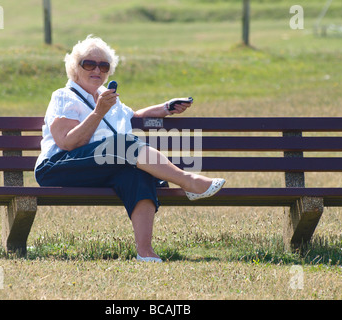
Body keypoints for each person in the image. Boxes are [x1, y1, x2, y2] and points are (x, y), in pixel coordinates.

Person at [34, 35, 225, 262]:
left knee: (137, 173)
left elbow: (133, 115)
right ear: (75, 67)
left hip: (99, 167)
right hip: (58, 168)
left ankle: (145, 252)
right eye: (89, 64)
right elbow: (66, 142)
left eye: (103, 66)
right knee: (122, 145)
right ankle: (187, 181)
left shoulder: (109, 99)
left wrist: (165, 108)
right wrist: (97, 113)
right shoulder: (64, 96)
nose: (97, 70)